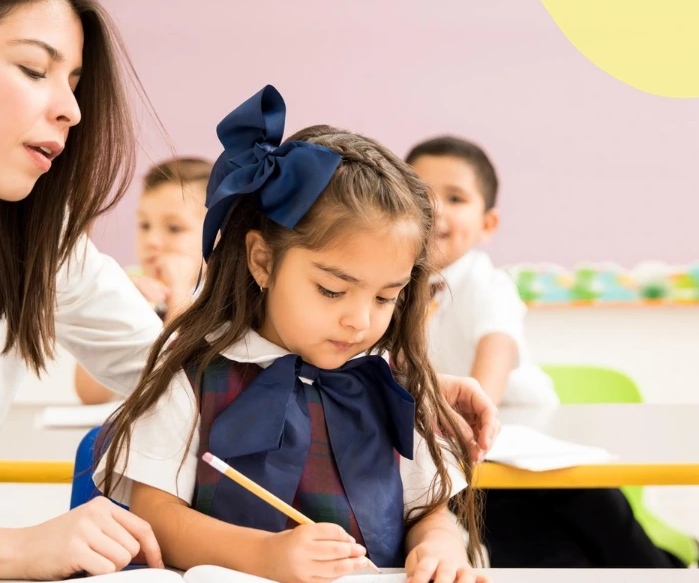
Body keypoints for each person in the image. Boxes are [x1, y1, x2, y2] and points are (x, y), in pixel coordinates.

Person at [0, 0, 496, 576]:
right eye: (35, 70)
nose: (70, 111)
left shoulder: (34, 237)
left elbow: (179, 368)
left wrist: (373, 382)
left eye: (75, 82)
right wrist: (13, 550)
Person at [95, 87, 487, 583]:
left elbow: (427, 510)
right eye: (331, 290)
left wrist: (439, 545)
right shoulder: (193, 371)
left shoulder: (390, 383)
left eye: (385, 297)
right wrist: (266, 556)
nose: (360, 321)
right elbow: (154, 513)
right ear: (263, 259)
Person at [408, 136, 686, 568]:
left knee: (610, 531)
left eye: (456, 198)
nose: (437, 209)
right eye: (421, 195)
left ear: (488, 223)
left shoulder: (487, 284)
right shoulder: (393, 290)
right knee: (540, 556)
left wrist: (465, 417)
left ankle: (667, 570)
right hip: (470, 460)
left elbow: (489, 375)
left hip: (535, 447)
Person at [75, 158, 211, 405]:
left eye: (173, 228)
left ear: (217, 237)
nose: (152, 240)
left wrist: (179, 294)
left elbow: (183, 381)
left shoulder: (218, 297)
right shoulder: (130, 286)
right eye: (145, 225)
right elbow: (89, 395)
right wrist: (112, 308)